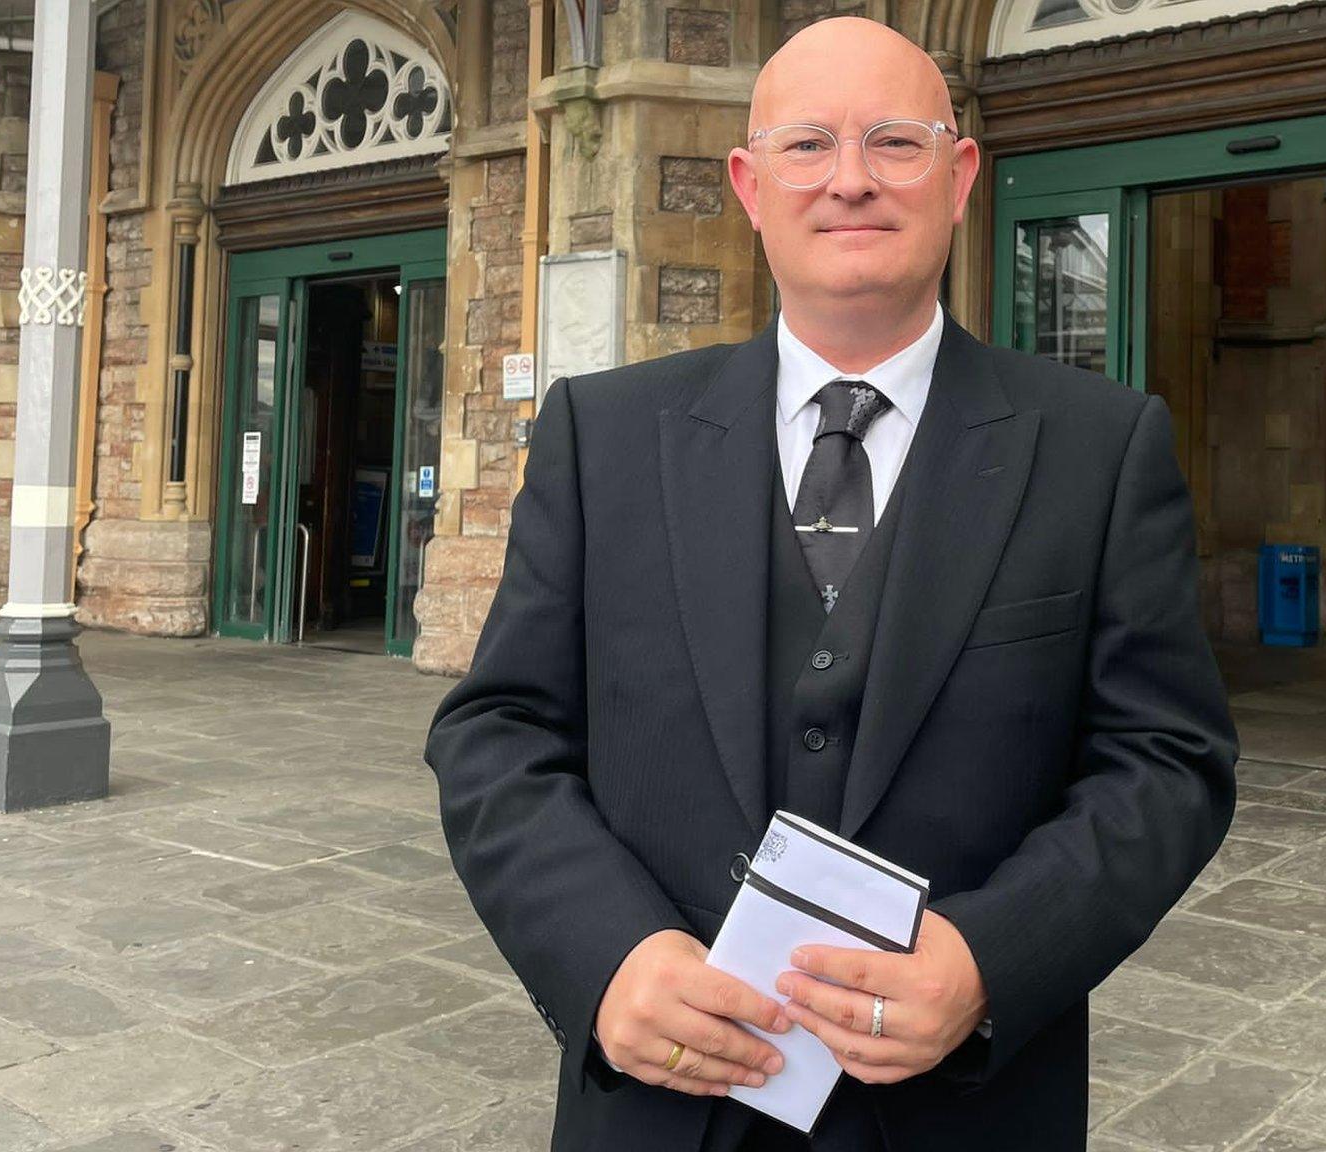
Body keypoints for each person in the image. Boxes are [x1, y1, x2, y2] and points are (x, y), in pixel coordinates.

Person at [425, 17, 1236, 1152]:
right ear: (750, 188)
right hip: (667, 1109)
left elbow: (1166, 763)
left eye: (893, 143)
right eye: (807, 146)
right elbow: (497, 733)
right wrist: (605, 953)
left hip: (962, 1110)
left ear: (957, 178)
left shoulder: (1099, 448)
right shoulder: (600, 438)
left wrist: (989, 960)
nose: (849, 180)